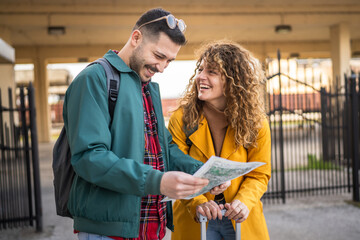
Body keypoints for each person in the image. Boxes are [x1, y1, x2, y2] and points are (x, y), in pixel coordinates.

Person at [63, 8, 229, 240]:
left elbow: (166, 148)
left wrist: (203, 174)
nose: (162, 68)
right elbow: (90, 158)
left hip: (152, 227)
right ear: (136, 38)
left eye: (169, 61)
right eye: (159, 56)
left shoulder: (148, 86)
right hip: (108, 230)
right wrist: (158, 181)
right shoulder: (94, 79)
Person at [168, 40, 271, 240]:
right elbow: (176, 169)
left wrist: (244, 202)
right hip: (196, 218)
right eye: (200, 69)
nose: (200, 77)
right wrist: (198, 203)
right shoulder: (181, 119)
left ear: (233, 80)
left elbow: (260, 175)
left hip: (241, 218)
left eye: (212, 72)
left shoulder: (256, 123)